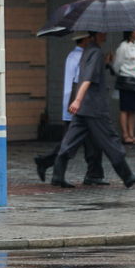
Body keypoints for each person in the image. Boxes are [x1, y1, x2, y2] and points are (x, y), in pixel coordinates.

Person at [38, 30, 135, 190]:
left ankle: (57, 175)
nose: (105, 35)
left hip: (84, 108)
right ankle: (127, 176)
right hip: (94, 107)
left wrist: (106, 63)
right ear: (91, 36)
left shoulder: (88, 52)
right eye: (101, 33)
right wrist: (77, 100)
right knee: (110, 140)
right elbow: (87, 79)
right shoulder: (95, 52)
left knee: (70, 140)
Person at [33, 30, 105, 185]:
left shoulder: (72, 56)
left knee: (90, 142)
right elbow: (84, 81)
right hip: (80, 107)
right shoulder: (82, 58)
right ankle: (48, 165)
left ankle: (93, 173)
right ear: (86, 40)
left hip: (73, 106)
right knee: (71, 143)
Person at [113, 29, 135, 145]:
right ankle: (125, 135)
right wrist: (120, 73)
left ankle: (132, 134)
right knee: (125, 108)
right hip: (126, 80)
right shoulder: (123, 46)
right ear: (130, 32)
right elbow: (117, 64)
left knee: (133, 109)